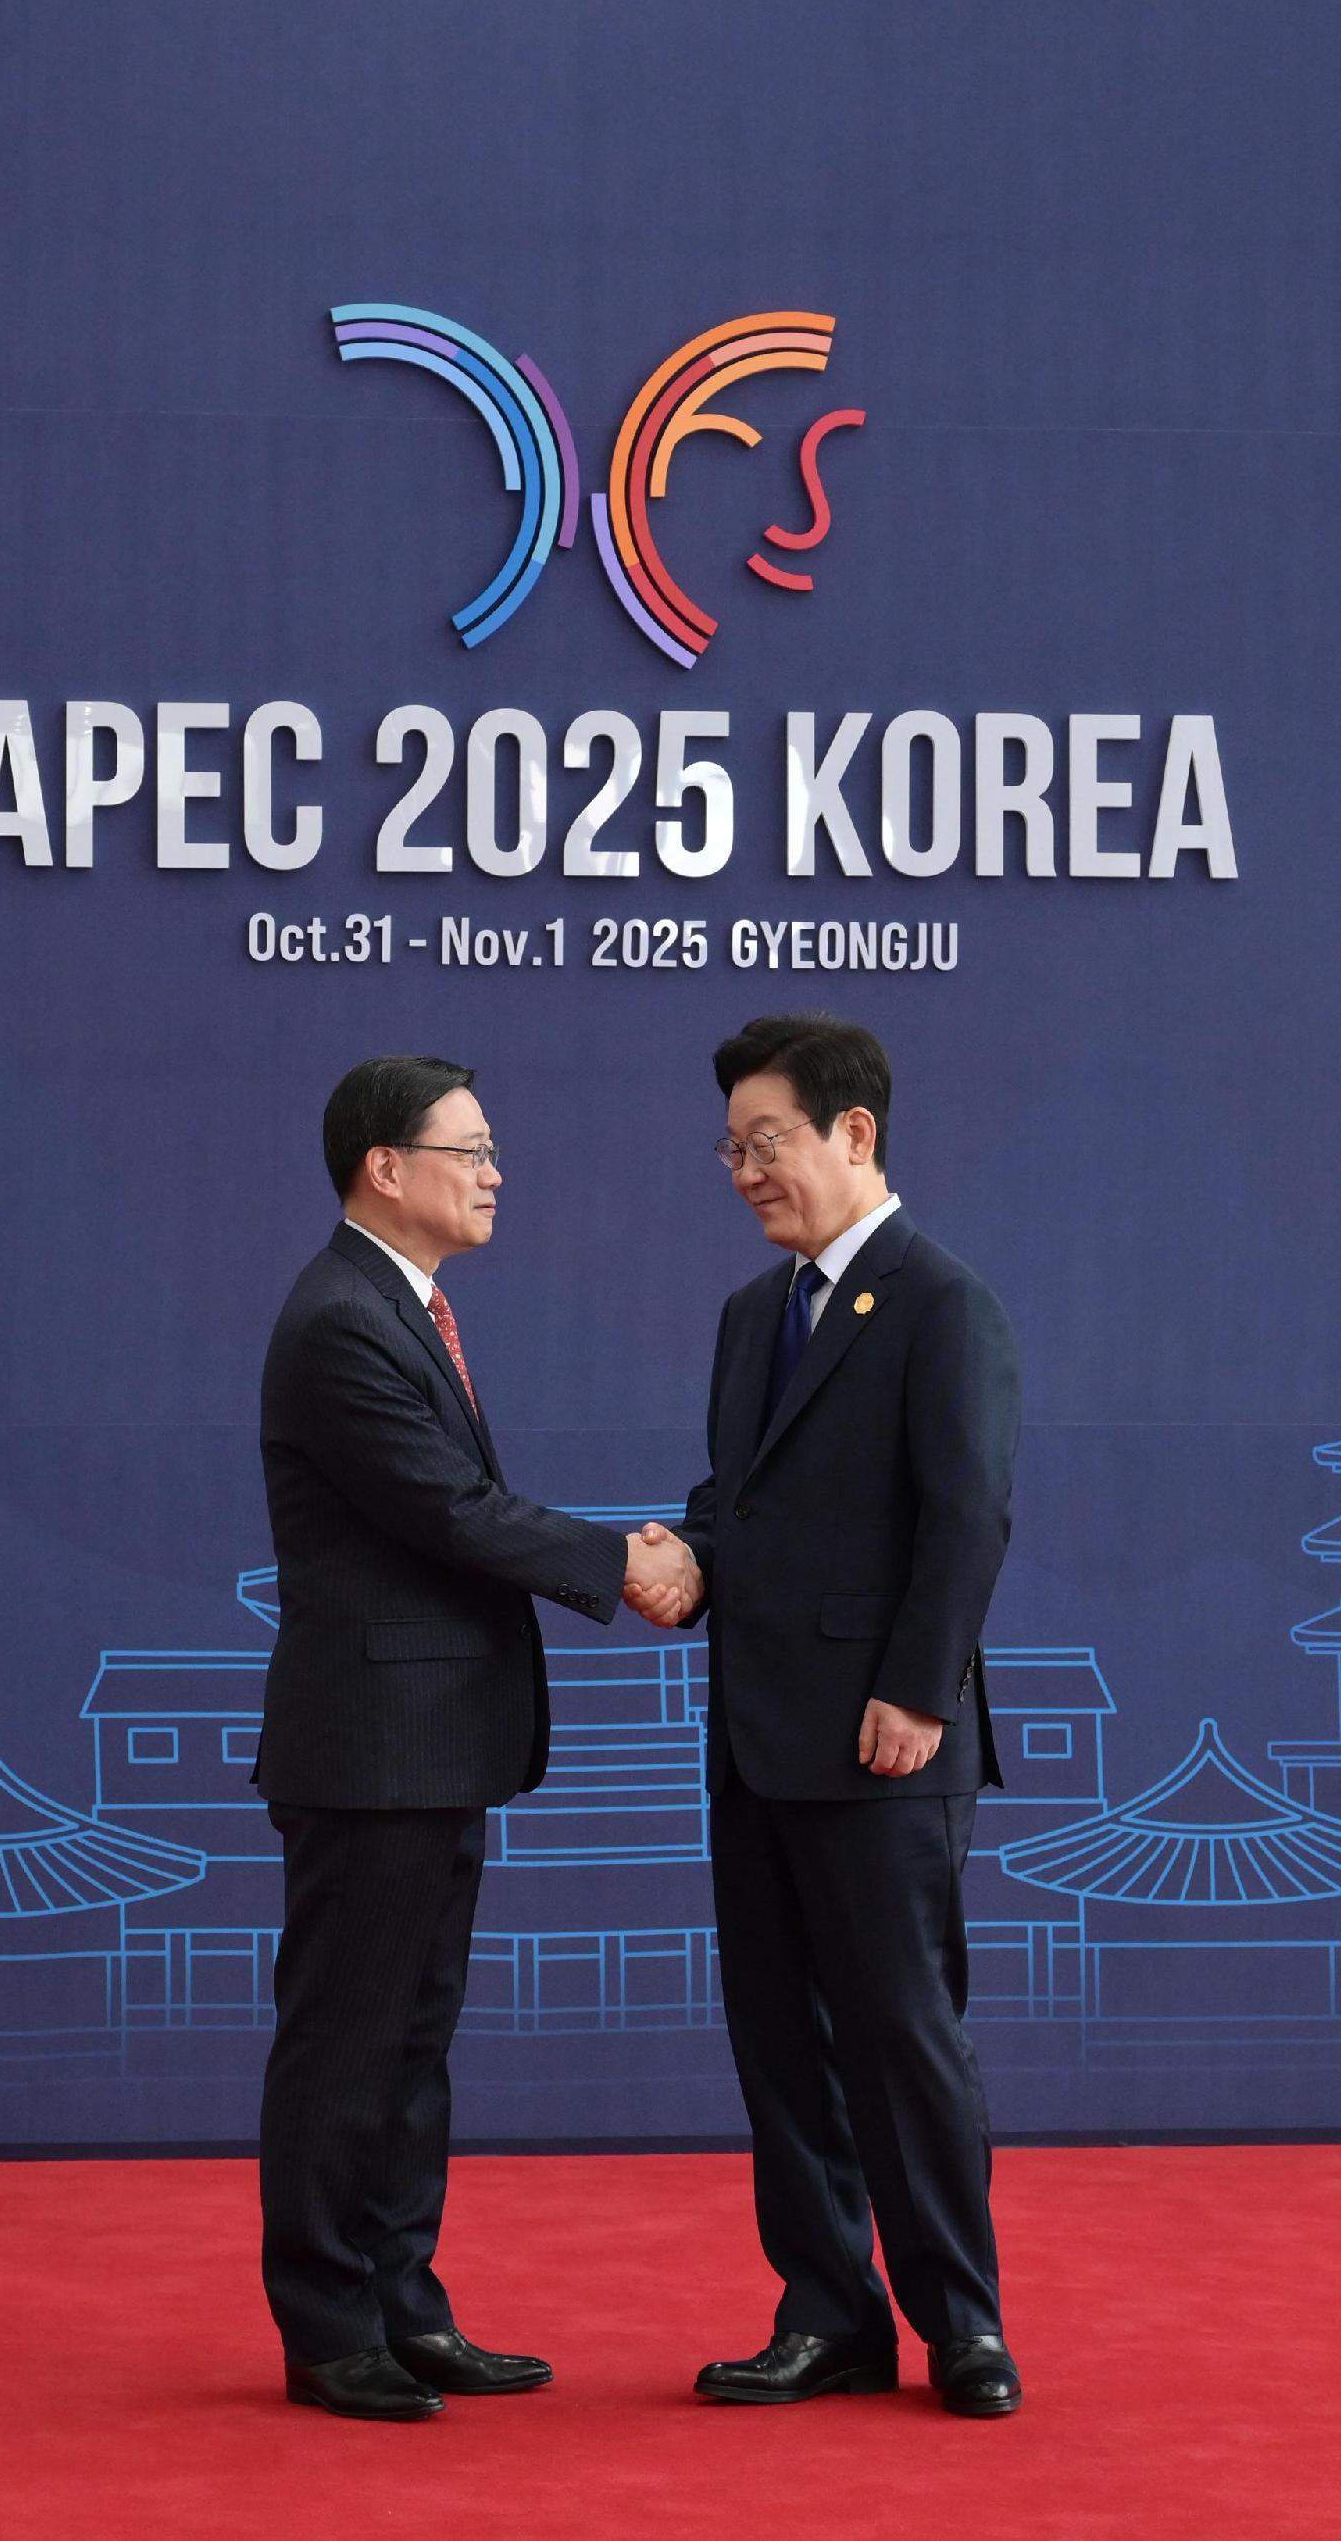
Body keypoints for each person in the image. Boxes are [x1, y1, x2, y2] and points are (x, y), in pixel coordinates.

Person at [253, 1054, 700, 2423]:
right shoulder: (342, 1320)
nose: (496, 1173)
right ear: (386, 1167)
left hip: (430, 1746)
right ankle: (330, 2323)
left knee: (412, 2042)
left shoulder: (405, 1307)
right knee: (348, 2042)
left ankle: (404, 2303)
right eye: (473, 1149)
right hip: (372, 1750)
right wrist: (622, 1561)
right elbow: (448, 1510)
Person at [643, 1013, 1025, 2420]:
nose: (745, 1170)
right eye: (731, 1148)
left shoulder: (941, 1299)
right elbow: (737, 1499)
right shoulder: (755, 1314)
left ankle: (962, 2322)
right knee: (780, 2046)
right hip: (755, 1736)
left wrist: (919, 1688)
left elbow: (967, 1512)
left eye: (767, 1140)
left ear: (853, 1132)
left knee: (902, 2042)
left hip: (883, 1738)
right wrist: (687, 1553)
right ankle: (827, 2312)